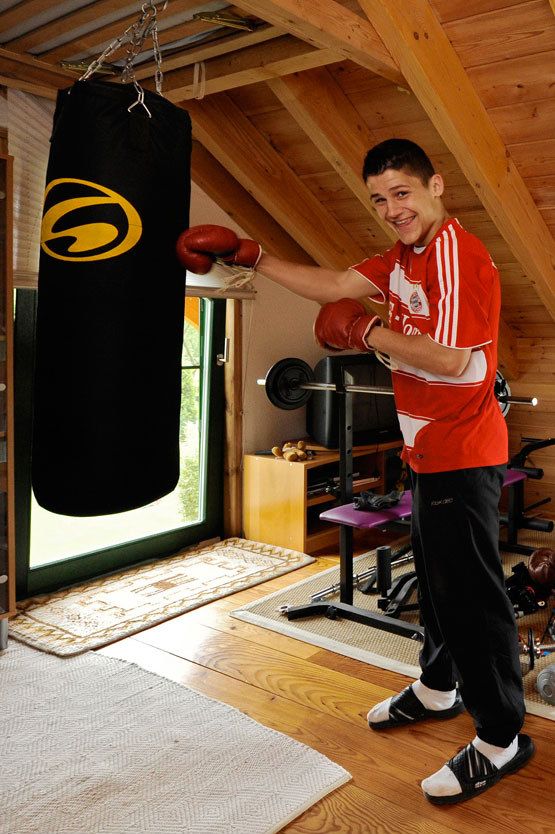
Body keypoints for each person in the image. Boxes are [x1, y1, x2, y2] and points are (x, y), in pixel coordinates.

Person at [176, 138, 534, 805]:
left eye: (402, 192)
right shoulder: (402, 258)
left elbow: (451, 360)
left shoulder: (456, 256)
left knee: (471, 595)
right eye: (378, 199)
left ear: (435, 186)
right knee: (436, 578)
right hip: (427, 451)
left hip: (462, 452)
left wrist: (364, 333)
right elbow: (337, 286)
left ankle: (500, 738)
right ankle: (438, 687)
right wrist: (254, 255)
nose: (392, 209)